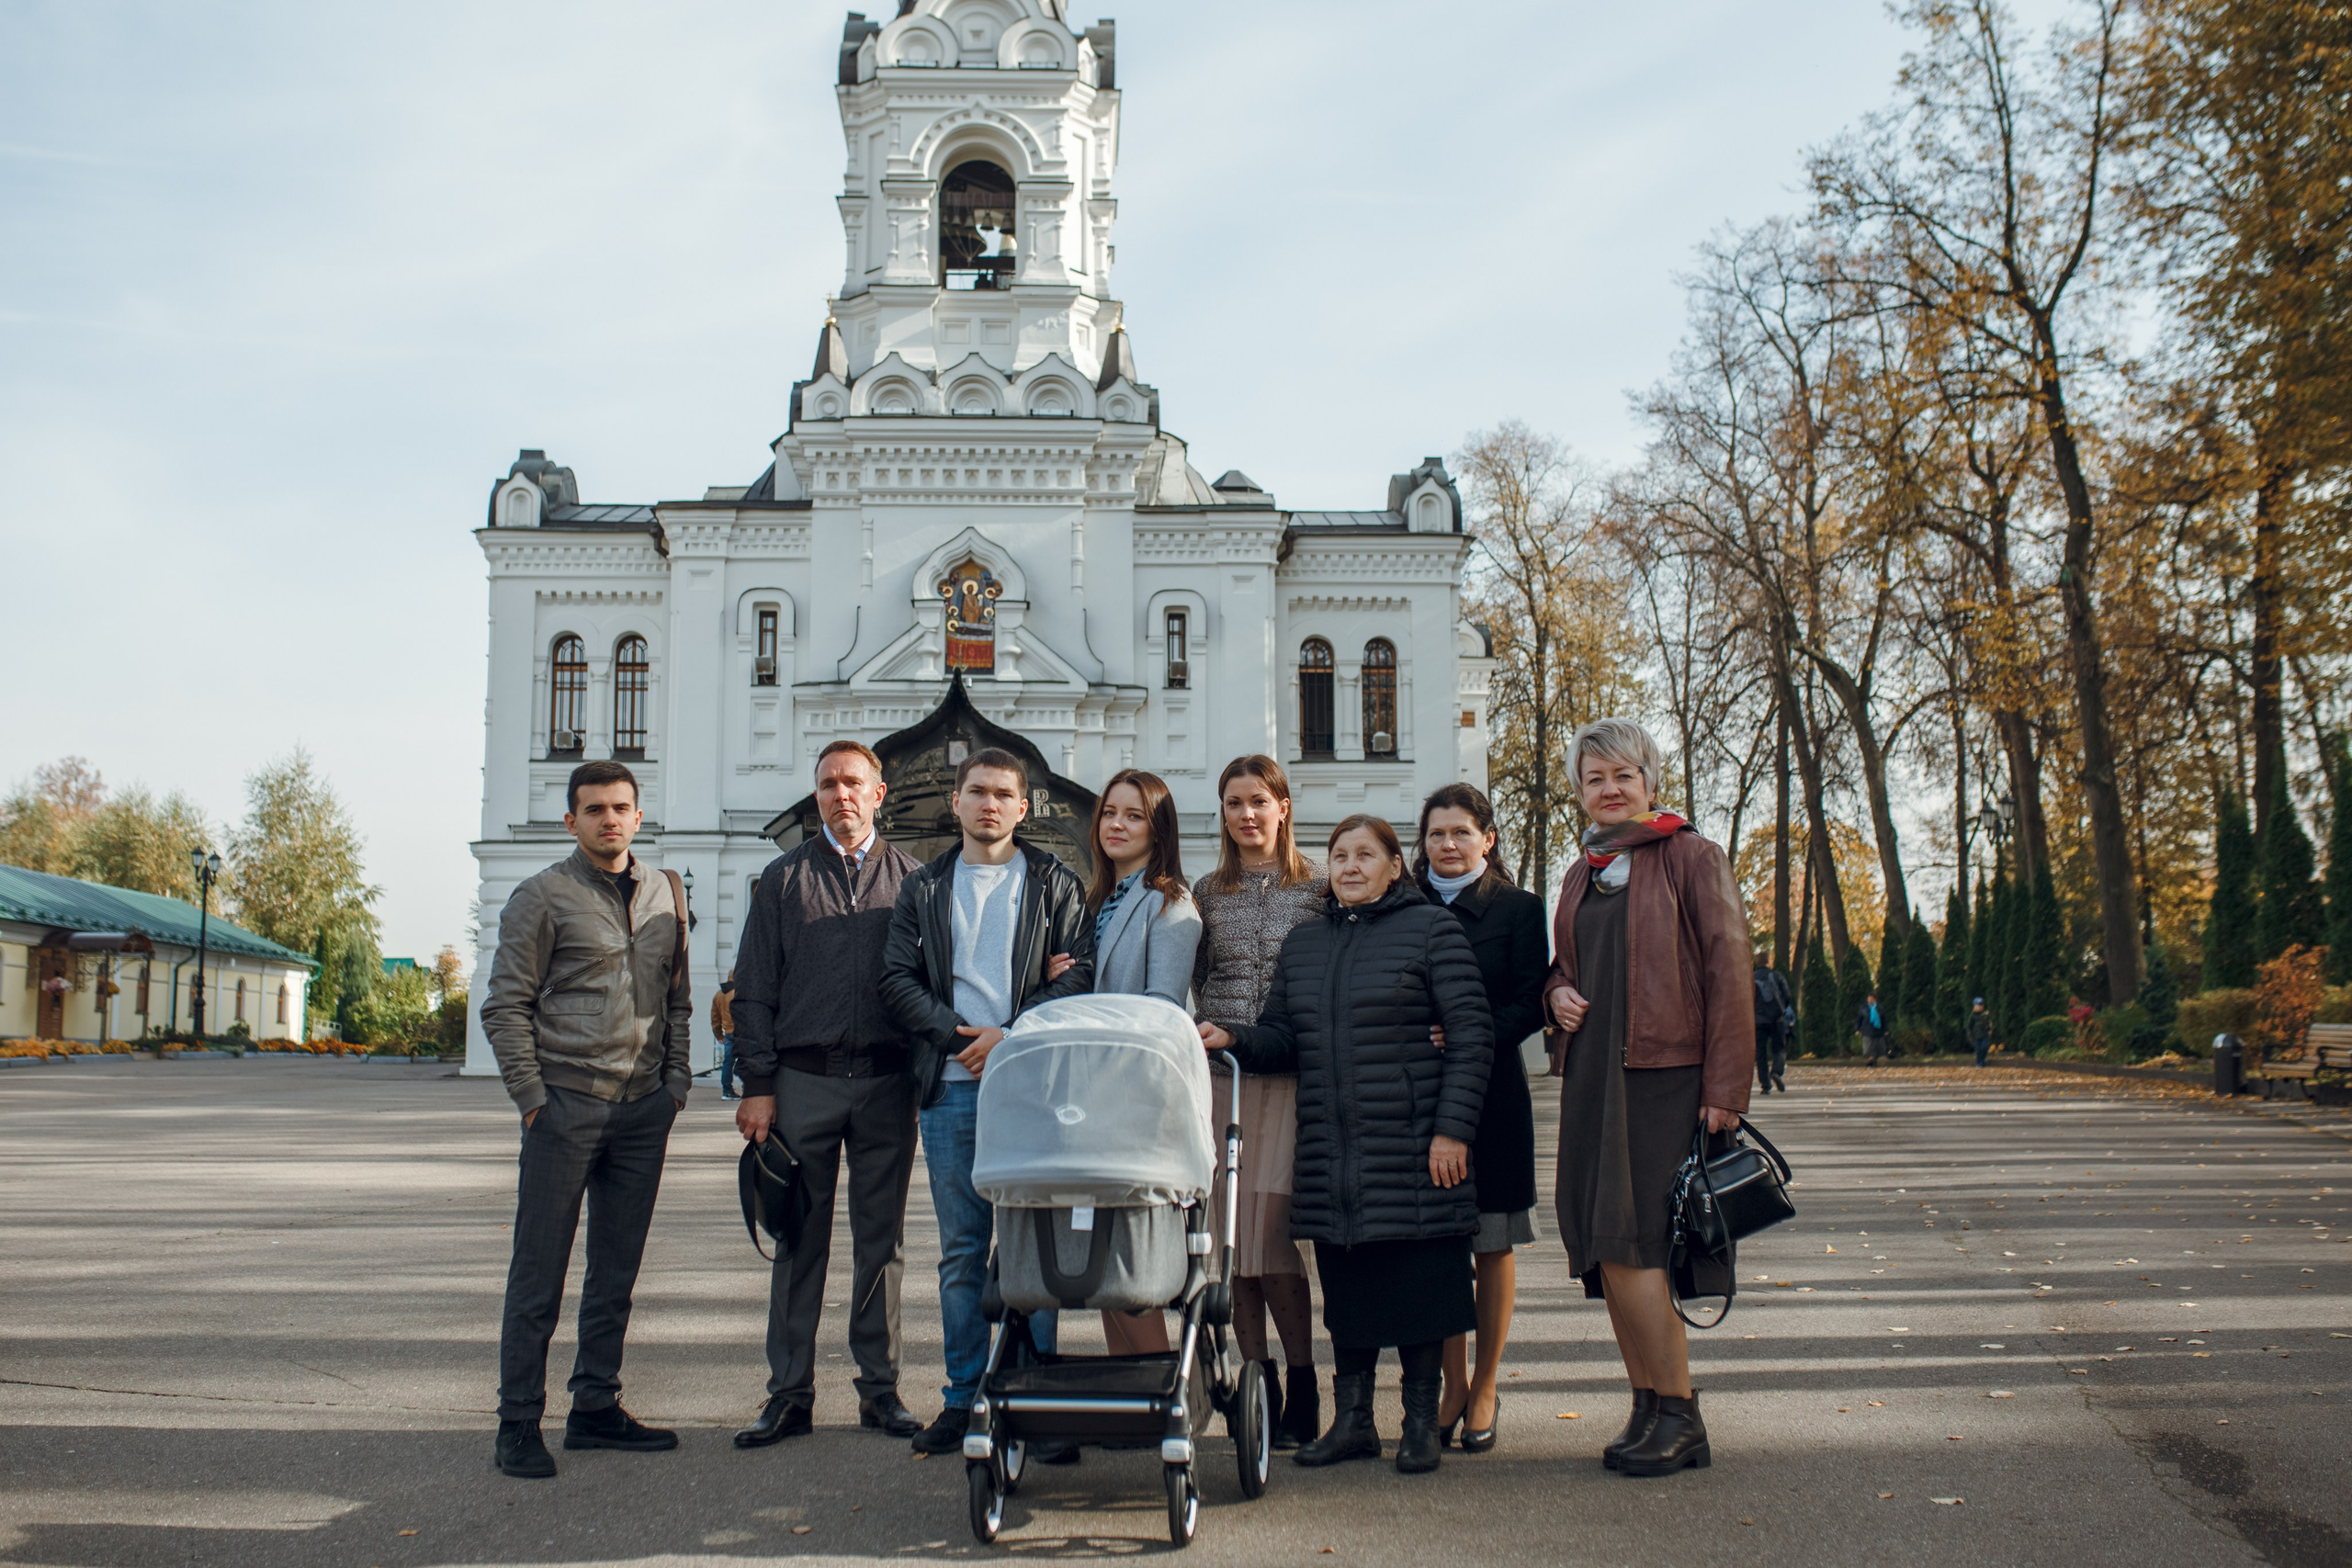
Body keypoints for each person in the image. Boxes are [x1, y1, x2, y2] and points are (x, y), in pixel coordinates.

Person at [1203, 815, 1493, 1475]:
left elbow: (1472, 1036)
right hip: (1333, 1151)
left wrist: (1452, 1130)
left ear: (1396, 866)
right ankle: (1353, 1420)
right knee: (1350, 1291)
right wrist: (1233, 1037)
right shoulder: (1305, 944)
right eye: (1339, 855)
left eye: (1367, 854)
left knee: (1420, 1286)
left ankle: (1419, 1423)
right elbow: (1282, 1036)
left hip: (1416, 1144)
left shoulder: (1432, 930)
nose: (1351, 865)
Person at [1544, 718, 1752, 1478]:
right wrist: (1555, 992)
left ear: (1650, 781)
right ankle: (1645, 1401)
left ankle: (1681, 1412)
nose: (1608, 790)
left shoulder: (1690, 855)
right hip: (1594, 1071)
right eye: (1594, 778)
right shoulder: (1581, 871)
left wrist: (1727, 1088)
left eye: (1622, 775)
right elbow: (1566, 965)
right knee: (1603, 1242)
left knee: (1638, 1245)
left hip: (1665, 1074)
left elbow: (1730, 974)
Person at [878, 746, 1095, 1458]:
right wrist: (953, 1034)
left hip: (1033, 1087)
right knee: (964, 1251)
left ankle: (1040, 1401)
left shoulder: (1054, 881)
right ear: (957, 802)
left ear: (1023, 806)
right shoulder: (926, 886)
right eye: (978, 791)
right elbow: (897, 978)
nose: (990, 804)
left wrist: (1011, 1032)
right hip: (952, 1088)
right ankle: (964, 1396)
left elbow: (1080, 972)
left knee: (1037, 1247)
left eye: (1004, 793)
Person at [481, 760, 693, 1480]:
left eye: (622, 807)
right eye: (595, 808)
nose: (610, 818)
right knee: (539, 1271)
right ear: (571, 820)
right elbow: (504, 1005)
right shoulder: (542, 895)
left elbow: (679, 1000)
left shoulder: (667, 892)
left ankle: (595, 1405)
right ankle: (517, 1421)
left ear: (639, 816)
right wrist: (534, 1098)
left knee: (615, 1271)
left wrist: (675, 1085)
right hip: (565, 1105)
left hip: (642, 1110)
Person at [727, 740, 927, 1449]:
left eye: (853, 782)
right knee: (798, 1241)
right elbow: (753, 986)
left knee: (882, 1244)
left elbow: (938, 985)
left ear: (879, 793)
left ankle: (881, 1390)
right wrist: (757, 1084)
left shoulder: (915, 881)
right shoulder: (782, 880)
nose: (840, 794)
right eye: (827, 784)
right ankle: (789, 1394)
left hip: (885, 1082)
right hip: (802, 1083)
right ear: (816, 795)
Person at [1189, 755, 1327, 1450]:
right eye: (1234, 802)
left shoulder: (1319, 890)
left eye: (1258, 801)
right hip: (1219, 1074)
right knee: (1227, 1242)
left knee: (1269, 1236)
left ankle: (1302, 1376)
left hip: (1288, 1075)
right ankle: (1258, 1378)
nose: (1246, 814)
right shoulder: (1208, 891)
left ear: (1283, 808)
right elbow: (1193, 976)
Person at [1411, 784, 1544, 1455]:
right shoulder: (1403, 902)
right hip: (1415, 1098)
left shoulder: (1519, 910)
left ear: (1488, 838)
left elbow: (1532, 1001)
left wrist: (1469, 1033)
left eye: (1462, 832)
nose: (1449, 845)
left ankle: (1487, 1382)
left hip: (1493, 1096)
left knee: (1491, 1240)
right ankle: (1451, 1383)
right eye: (1437, 834)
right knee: (1439, 1246)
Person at [1083, 768, 1203, 1356]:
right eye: (1110, 813)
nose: (1118, 825)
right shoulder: (1098, 899)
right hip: (1089, 1098)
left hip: (1134, 1100)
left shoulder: (1170, 902)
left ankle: (1157, 1380)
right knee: (1099, 1248)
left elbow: (1162, 1014)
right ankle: (1127, 1381)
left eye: (1134, 816)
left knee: (1130, 1248)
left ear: (1158, 831)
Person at [1753, 960, 1793, 1094]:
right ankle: (1776, 1071)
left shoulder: (1751, 977)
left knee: (1761, 1053)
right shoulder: (1777, 976)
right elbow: (1787, 995)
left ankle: (1765, 1086)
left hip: (1758, 1020)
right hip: (1777, 1019)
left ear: (1756, 962)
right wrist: (1782, 1010)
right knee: (1780, 1049)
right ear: (1769, 962)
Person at [712, 974, 740, 1100]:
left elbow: (715, 1017)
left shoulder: (719, 995)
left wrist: (718, 1034)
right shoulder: (740, 992)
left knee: (728, 1062)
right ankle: (748, 1088)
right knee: (747, 1059)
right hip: (742, 1031)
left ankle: (727, 1090)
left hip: (728, 1032)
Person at [1859, 991, 1889, 1065]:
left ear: (1875, 1000)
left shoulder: (1880, 1007)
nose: (1869, 1001)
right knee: (1868, 1045)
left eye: (1871, 999)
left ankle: (1872, 1060)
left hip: (1877, 1030)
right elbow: (1859, 1019)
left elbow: (1884, 1019)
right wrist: (1857, 1029)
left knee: (1876, 1046)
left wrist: (1886, 1029)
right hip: (1867, 1030)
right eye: (1868, 999)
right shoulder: (1863, 1008)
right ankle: (1872, 1059)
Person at [1969, 997, 1994, 1066]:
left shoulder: (1986, 1014)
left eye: (1981, 1004)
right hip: (1977, 1036)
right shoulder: (1973, 1015)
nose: (1980, 1006)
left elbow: (1989, 1022)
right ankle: (1979, 1062)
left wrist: (1990, 1029)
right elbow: (1970, 1026)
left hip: (1985, 1035)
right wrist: (1971, 1034)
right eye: (1979, 1004)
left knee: (1985, 1048)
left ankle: (1983, 1061)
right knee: (1979, 1050)